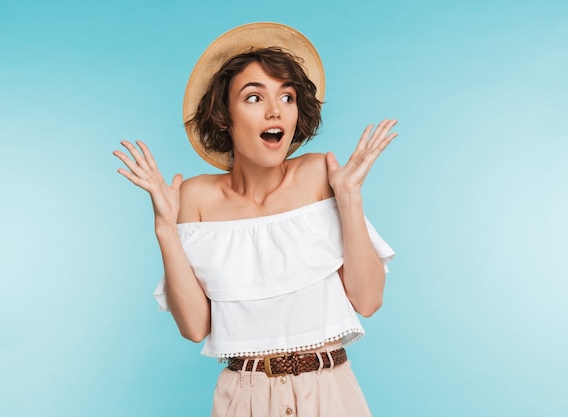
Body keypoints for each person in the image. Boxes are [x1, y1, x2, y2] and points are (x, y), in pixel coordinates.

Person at [113, 22, 397, 417]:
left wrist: (349, 198)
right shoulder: (195, 198)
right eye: (253, 97)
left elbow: (368, 300)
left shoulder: (320, 175)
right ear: (224, 117)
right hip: (243, 397)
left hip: (330, 390)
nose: (275, 110)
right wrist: (165, 229)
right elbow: (195, 327)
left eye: (287, 96)